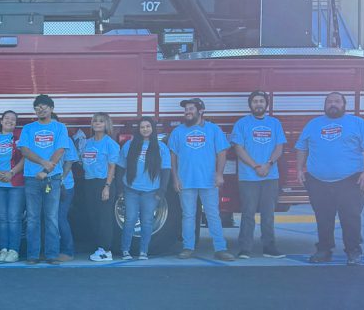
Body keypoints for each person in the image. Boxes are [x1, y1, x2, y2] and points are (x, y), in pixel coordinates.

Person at [295, 92, 364, 265]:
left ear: (344, 105)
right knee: (323, 218)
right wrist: (299, 169)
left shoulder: (357, 123)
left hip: (350, 180)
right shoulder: (313, 124)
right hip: (318, 181)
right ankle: (324, 250)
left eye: (337, 101)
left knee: (350, 218)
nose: (333, 104)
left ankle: (353, 251)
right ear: (325, 105)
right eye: (329, 101)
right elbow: (302, 147)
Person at [168, 98, 235, 261]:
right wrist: (175, 179)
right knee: (188, 215)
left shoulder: (213, 130)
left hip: (209, 181)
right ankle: (188, 247)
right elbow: (173, 157)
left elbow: (222, 153)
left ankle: (220, 248)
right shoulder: (178, 131)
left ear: (201, 111)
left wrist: (219, 174)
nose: (187, 112)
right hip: (185, 181)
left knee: (213, 215)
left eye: (191, 109)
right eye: (186, 109)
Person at [231, 91, 287, 259]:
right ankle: (245, 248)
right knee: (248, 213)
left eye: (261, 101)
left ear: (266, 104)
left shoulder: (275, 123)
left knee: (268, 214)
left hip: (270, 175)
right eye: (255, 101)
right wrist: (255, 166)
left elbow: (279, 147)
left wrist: (268, 164)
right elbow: (238, 148)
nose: (258, 104)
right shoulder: (242, 124)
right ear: (250, 104)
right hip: (248, 176)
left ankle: (269, 247)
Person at [17, 94, 71, 264]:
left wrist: (46, 170)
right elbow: (24, 150)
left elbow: (60, 150)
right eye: (37, 107)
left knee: (51, 218)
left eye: (44, 106)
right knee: (32, 218)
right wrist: (43, 163)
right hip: (32, 178)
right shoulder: (28, 128)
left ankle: (52, 255)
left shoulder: (60, 127)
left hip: (52, 179)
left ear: (52, 108)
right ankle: (33, 255)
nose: (40, 109)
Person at [116, 117, 171, 260]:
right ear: (138, 129)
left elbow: (166, 170)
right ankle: (125, 250)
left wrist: (162, 191)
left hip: (151, 192)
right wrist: (120, 188)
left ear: (153, 128)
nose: (145, 129)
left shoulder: (161, 147)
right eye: (142, 127)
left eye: (148, 126)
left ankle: (143, 252)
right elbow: (120, 167)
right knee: (130, 220)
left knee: (147, 221)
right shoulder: (129, 145)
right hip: (131, 190)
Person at [82, 112, 120, 262]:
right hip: (89, 182)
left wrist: (107, 186)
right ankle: (98, 247)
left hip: (103, 182)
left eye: (101, 121)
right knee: (93, 216)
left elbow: (112, 167)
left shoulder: (110, 144)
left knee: (104, 218)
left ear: (106, 125)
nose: (97, 123)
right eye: (95, 121)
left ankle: (106, 251)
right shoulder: (87, 143)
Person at [0, 110, 24, 263]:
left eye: (13, 119)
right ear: (1, 121)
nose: (10, 121)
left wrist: (11, 172)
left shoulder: (19, 137)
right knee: (2, 219)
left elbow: (25, 158)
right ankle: (3, 249)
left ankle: (14, 250)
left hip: (16, 184)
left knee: (14, 218)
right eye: (7, 118)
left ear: (16, 123)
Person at [57, 118, 80, 262]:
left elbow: (69, 162)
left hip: (65, 186)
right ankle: (52, 250)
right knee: (48, 219)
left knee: (60, 217)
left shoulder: (66, 140)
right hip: (45, 185)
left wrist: (60, 179)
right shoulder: (42, 140)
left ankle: (68, 251)